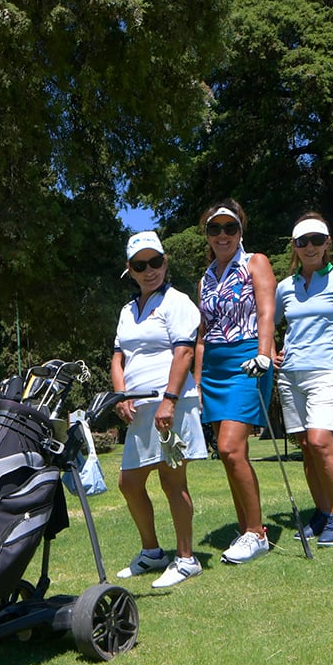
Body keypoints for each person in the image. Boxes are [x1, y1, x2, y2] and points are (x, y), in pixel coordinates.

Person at [111, 231, 208, 588]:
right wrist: (121, 395)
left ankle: (186, 558)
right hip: (139, 408)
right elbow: (118, 357)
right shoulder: (127, 311)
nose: (149, 270)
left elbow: (183, 353)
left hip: (172, 404)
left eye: (155, 262)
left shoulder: (177, 302)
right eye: (140, 265)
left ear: (165, 263)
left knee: (172, 480)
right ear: (130, 270)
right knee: (129, 482)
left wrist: (169, 400)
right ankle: (152, 552)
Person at [273, 213, 333, 547]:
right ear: (294, 247)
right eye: (302, 242)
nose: (309, 247)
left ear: (327, 243)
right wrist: (269, 350)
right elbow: (266, 324)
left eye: (316, 240)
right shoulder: (285, 287)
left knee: (320, 442)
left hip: (327, 371)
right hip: (290, 376)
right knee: (306, 448)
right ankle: (323, 512)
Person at [195, 200, 277, 564]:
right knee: (230, 456)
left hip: (248, 361)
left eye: (230, 228)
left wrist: (264, 352)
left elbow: (266, 309)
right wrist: (196, 382)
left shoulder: (254, 262)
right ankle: (247, 527)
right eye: (216, 229)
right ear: (208, 235)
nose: (223, 235)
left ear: (240, 231)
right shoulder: (206, 276)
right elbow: (201, 333)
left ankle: (256, 533)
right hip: (213, 365)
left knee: (230, 447)